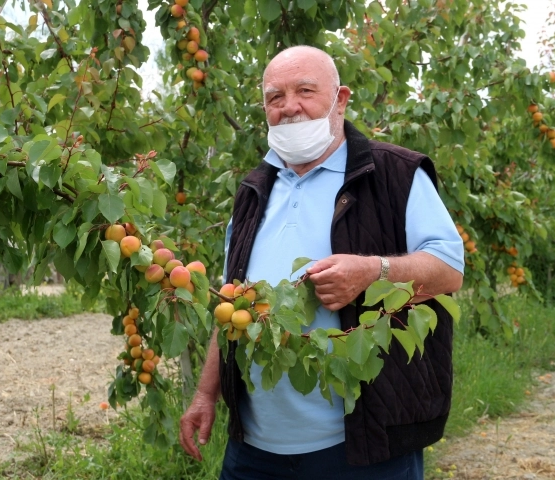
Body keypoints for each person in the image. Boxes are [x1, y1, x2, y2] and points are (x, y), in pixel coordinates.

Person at [179, 45, 464, 479]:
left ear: (341, 99)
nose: (289, 106)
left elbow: (449, 269)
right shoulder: (253, 192)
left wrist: (374, 272)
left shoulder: (395, 174)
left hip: (364, 449)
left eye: (305, 91)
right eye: (275, 97)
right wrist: (205, 393)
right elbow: (232, 303)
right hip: (255, 452)